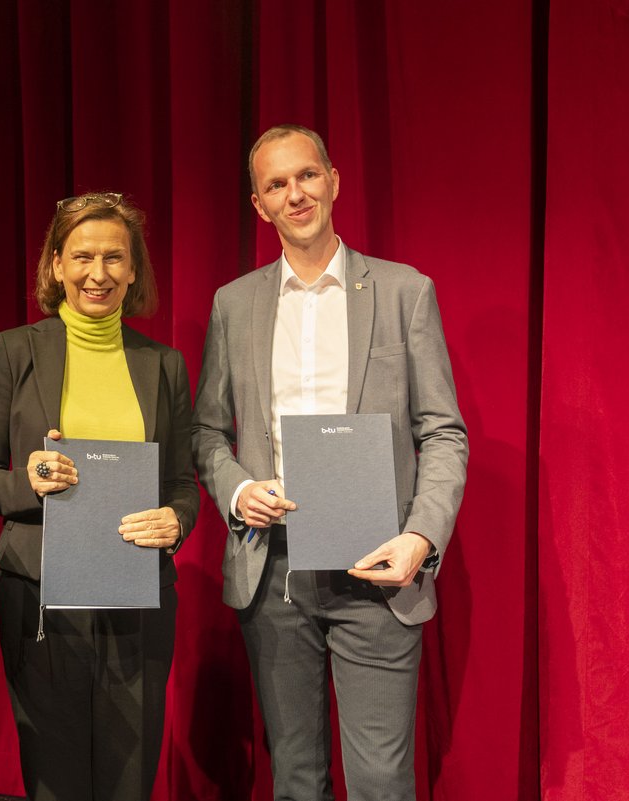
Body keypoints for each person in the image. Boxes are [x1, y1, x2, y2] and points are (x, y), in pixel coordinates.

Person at [192, 125, 468, 800]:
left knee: (379, 781)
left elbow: (444, 433)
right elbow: (206, 433)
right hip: (274, 568)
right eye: (277, 184)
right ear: (258, 205)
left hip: (374, 564)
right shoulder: (234, 304)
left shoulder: (404, 291)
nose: (296, 194)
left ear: (334, 180)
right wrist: (236, 490)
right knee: (295, 778)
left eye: (306, 176)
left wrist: (420, 536)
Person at [0, 192, 200, 801]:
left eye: (115, 258)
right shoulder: (14, 351)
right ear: (56, 264)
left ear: (134, 269)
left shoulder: (164, 364)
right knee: (56, 774)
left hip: (138, 588)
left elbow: (181, 484)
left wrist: (175, 521)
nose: (99, 273)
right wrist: (29, 481)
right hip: (40, 593)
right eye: (83, 256)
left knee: (130, 774)